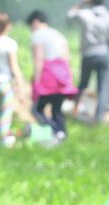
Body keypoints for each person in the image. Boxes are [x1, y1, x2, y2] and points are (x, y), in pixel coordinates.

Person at [27, 10, 78, 141]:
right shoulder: (59, 35)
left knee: (37, 109)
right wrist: (69, 79)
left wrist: (36, 82)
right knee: (57, 109)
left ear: (36, 22)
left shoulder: (38, 35)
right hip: (62, 77)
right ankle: (62, 134)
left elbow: (39, 59)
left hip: (48, 78)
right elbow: (67, 59)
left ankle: (55, 131)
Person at [68, 0, 109, 124]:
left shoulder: (85, 14)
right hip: (103, 54)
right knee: (102, 87)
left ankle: (75, 110)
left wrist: (82, 3)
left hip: (88, 54)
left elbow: (70, 14)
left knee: (83, 84)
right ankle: (99, 116)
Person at [0, 14, 25, 147]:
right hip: (5, 82)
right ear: (8, 26)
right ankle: (2, 141)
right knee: (6, 113)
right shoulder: (10, 44)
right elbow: (14, 67)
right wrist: (20, 86)